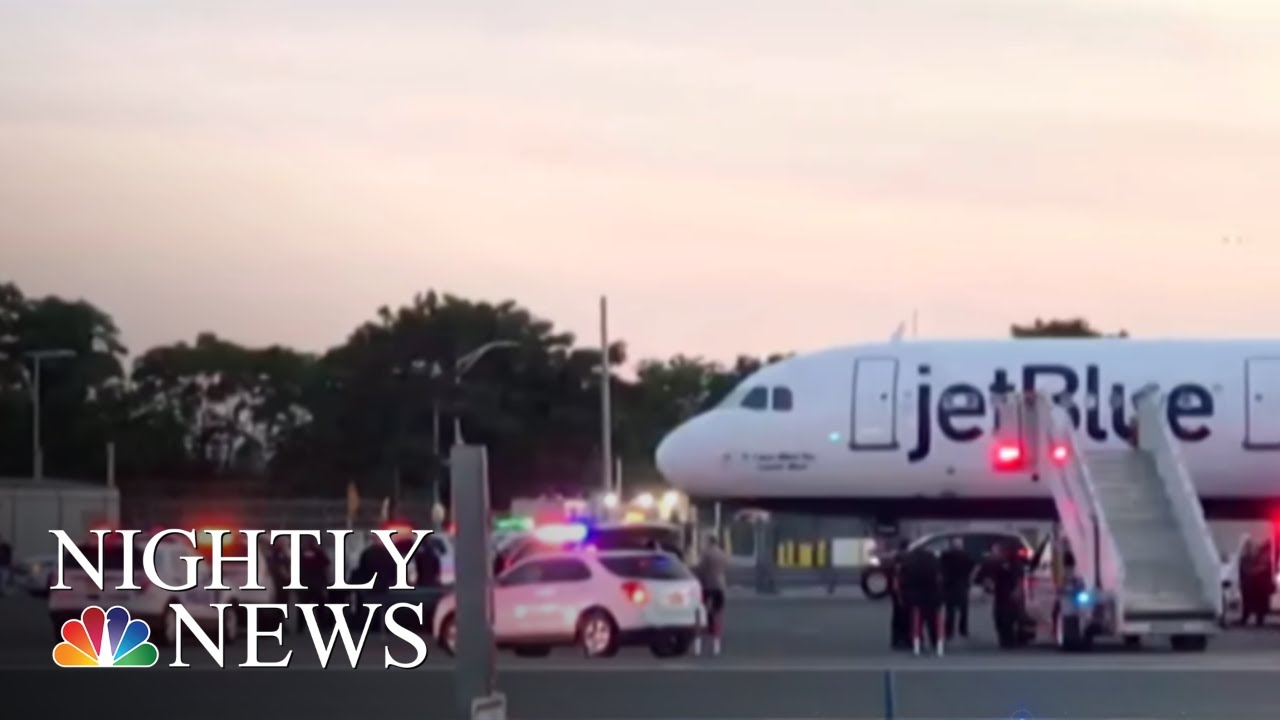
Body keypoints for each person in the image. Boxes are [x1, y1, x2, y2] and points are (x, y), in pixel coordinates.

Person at [977, 541, 1026, 648]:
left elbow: (1019, 577)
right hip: (1001, 593)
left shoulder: (1014, 563)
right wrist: (987, 584)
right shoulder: (992, 562)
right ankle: (1006, 639)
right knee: (1001, 617)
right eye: (995, 550)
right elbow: (983, 577)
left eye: (997, 550)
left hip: (1010, 593)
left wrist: (1017, 589)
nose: (996, 553)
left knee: (1009, 617)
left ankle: (1009, 639)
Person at [899, 542, 944, 656]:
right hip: (932, 596)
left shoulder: (909, 562)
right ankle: (937, 644)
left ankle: (917, 644)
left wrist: (904, 596)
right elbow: (939, 579)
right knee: (934, 622)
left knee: (916, 622)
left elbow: (904, 580)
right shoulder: (934, 561)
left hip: (915, 596)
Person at [694, 534, 729, 656]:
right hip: (720, 587)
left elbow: (700, 570)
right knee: (717, 615)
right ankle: (716, 646)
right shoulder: (723, 554)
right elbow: (724, 569)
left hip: (707, 586)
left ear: (708, 542)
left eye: (704, 541)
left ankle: (698, 647)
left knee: (700, 613)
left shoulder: (706, 554)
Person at [940, 536, 974, 641]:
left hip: (949, 585)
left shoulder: (945, 556)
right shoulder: (966, 556)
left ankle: (949, 630)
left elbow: (941, 568)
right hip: (962, 585)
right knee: (963, 609)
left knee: (950, 609)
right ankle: (963, 630)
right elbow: (970, 569)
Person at [888, 539, 911, 650]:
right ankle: (906, 639)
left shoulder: (896, 558)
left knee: (897, 615)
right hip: (905, 590)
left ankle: (896, 640)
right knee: (907, 616)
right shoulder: (907, 558)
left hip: (897, 590)